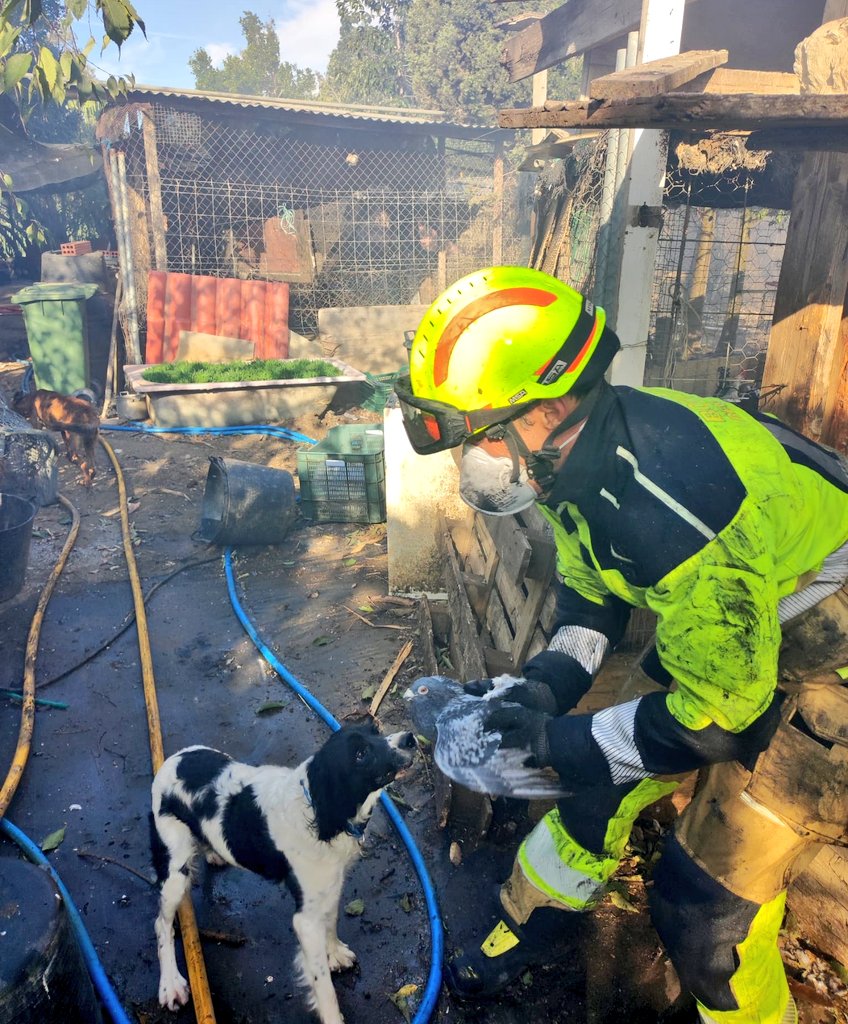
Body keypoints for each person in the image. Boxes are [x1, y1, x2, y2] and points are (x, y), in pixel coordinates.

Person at [394, 266, 848, 1024]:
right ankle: (528, 927)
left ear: (554, 405)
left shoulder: (669, 507)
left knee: (706, 915)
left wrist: (560, 743)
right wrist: (546, 689)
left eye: (480, 436)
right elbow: (592, 596)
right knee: (601, 781)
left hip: (828, 652)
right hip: (737, 619)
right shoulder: (576, 461)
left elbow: (711, 721)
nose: (471, 459)